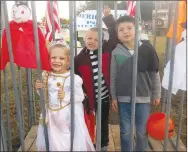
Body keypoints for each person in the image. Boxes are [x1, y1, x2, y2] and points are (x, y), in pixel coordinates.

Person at [110, 16, 161, 151]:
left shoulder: (147, 49)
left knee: (141, 131)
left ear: (136, 30)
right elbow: (113, 76)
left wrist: (156, 93)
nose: (126, 31)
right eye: (121, 30)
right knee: (125, 131)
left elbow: (154, 73)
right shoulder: (116, 52)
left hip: (143, 98)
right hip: (123, 99)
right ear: (118, 35)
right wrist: (114, 97)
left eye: (129, 28)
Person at [35, 40, 95, 151]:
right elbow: (45, 96)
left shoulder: (73, 78)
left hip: (68, 116)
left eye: (61, 58)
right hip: (52, 116)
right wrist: (39, 88)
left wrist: (66, 96)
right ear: (48, 59)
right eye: (53, 58)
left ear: (68, 61)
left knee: (68, 141)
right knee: (54, 141)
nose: (57, 61)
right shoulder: (46, 75)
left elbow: (80, 97)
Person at [74, 6, 117, 151]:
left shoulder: (106, 50)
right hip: (88, 100)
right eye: (89, 38)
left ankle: (103, 144)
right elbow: (74, 77)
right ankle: (88, 143)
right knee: (88, 123)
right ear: (85, 39)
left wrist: (109, 18)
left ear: (102, 41)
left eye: (96, 39)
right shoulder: (79, 59)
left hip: (104, 97)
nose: (92, 41)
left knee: (103, 122)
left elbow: (115, 36)